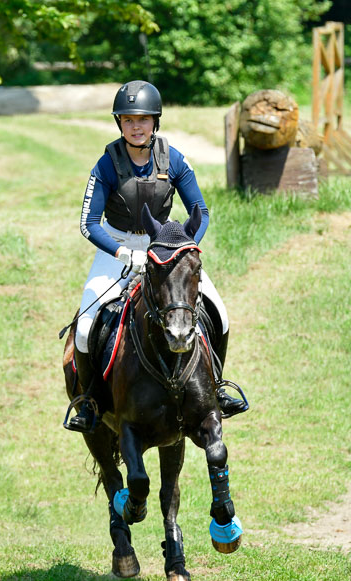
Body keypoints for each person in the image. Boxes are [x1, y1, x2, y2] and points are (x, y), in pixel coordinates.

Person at [66, 80, 248, 433]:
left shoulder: (173, 158)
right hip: (117, 247)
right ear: (120, 123)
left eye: (143, 120)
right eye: (129, 120)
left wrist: (181, 249)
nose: (136, 127)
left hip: (164, 245)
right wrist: (121, 252)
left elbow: (201, 210)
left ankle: (218, 389)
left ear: (155, 122)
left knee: (219, 313)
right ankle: (89, 402)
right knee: (86, 327)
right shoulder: (106, 164)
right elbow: (88, 224)